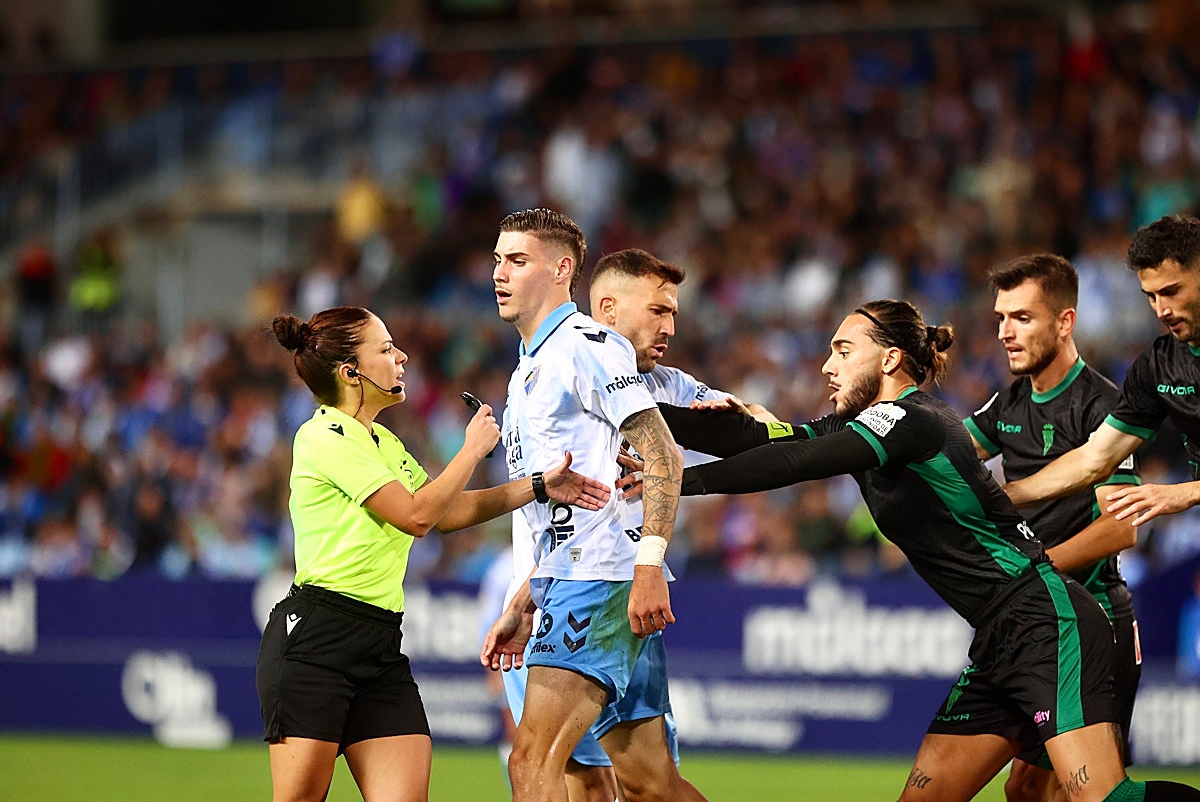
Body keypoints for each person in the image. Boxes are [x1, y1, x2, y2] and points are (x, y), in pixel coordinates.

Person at [636, 299, 1200, 802]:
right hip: (1000, 636)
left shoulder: (913, 419)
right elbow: (762, 440)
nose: (827, 366)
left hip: (1046, 621)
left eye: (843, 350)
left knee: (1104, 798)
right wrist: (637, 417)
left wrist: (680, 481)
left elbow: (794, 463)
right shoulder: (860, 428)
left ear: (888, 361)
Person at [256, 305, 610, 802]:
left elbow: (446, 512)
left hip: (378, 646)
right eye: (385, 349)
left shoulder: (380, 439)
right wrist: (470, 451)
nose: (401, 357)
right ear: (349, 372)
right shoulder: (322, 435)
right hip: (316, 642)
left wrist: (539, 486)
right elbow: (417, 516)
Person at [481, 209, 707, 802]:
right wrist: (527, 594)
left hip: (597, 581)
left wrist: (649, 567)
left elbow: (662, 455)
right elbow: (574, 506)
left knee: (533, 762)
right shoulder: (530, 366)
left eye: (517, 260)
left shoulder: (587, 348)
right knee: (649, 786)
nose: (499, 273)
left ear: (562, 269)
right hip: (574, 575)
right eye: (498, 259)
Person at [965, 254, 1141, 802]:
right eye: (1000, 318)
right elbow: (950, 456)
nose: (1004, 333)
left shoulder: (1103, 406)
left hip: (1094, 620)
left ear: (1065, 322)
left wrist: (1034, 571)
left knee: (1070, 792)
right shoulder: (1010, 401)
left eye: (1021, 317)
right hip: (1035, 622)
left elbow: (1121, 528)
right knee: (1025, 789)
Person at [1006, 215, 1200, 533]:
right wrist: (1001, 496)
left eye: (1171, 291)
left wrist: (1187, 492)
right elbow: (1094, 459)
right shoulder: (1158, 365)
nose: (1161, 310)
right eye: (1151, 296)